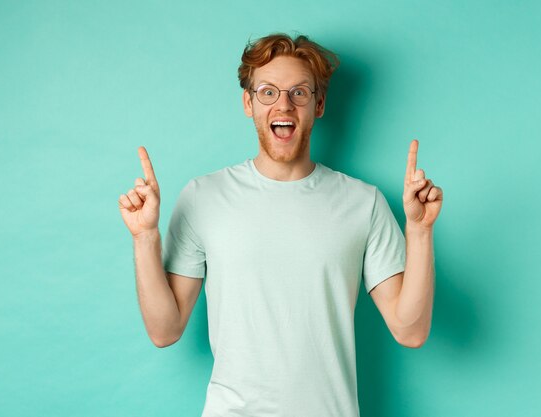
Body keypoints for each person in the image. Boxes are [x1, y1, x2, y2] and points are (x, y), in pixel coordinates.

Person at [118, 33, 443, 417]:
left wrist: (420, 232)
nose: (283, 105)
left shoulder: (363, 202)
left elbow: (411, 330)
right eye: (268, 92)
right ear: (248, 103)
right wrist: (144, 237)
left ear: (318, 104)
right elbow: (164, 330)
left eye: (299, 93)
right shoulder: (203, 197)